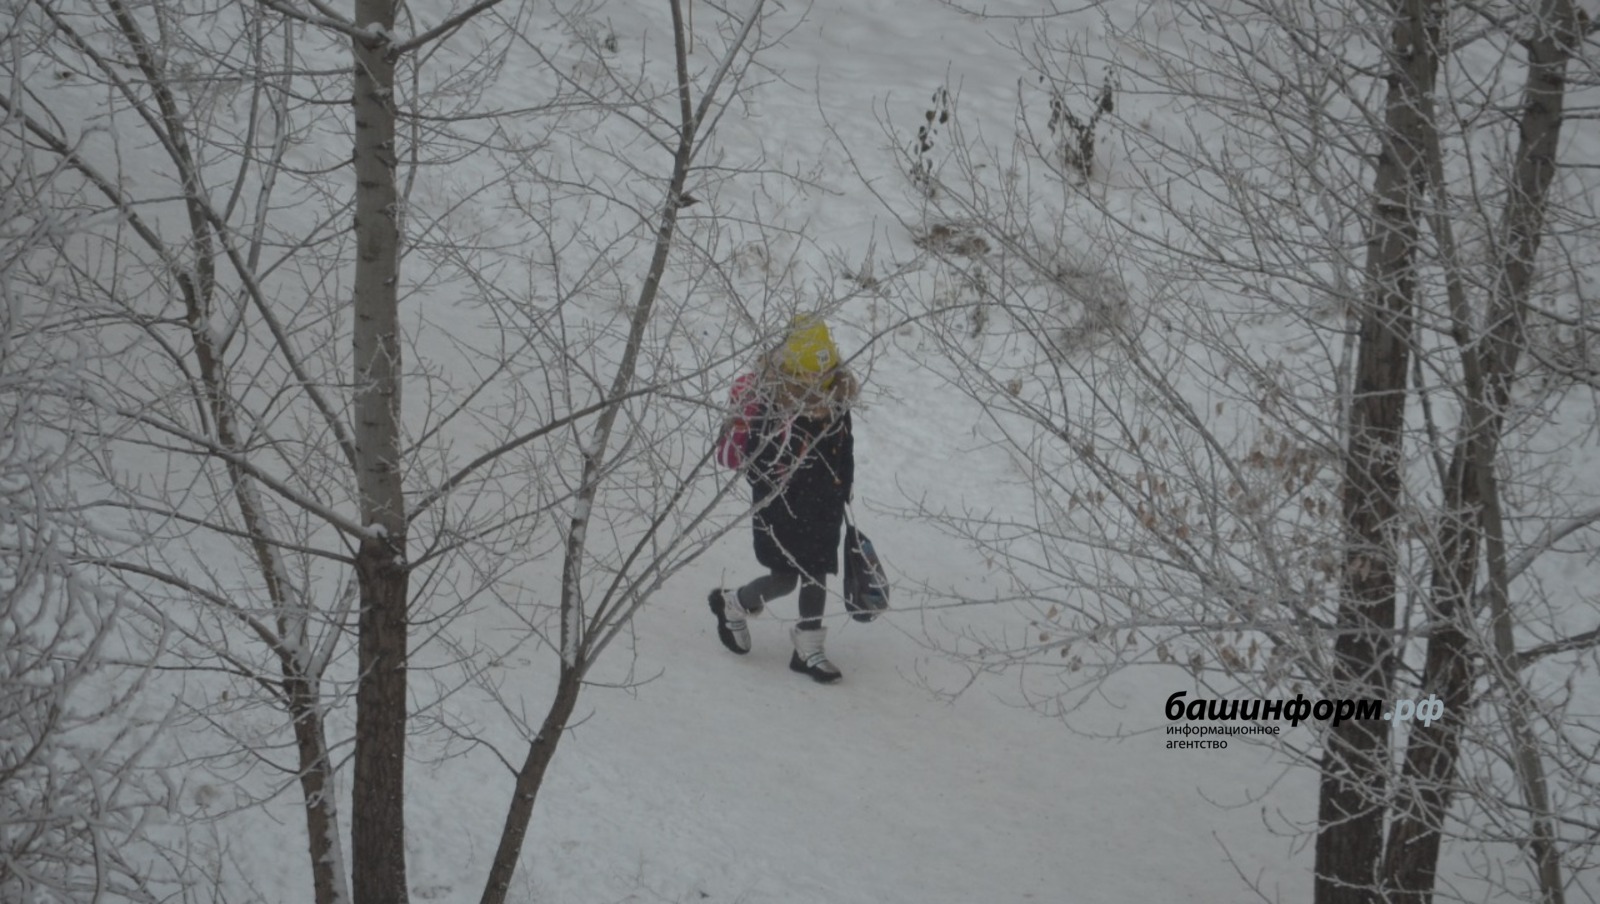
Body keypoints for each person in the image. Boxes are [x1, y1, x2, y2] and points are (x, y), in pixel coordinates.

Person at [709, 316, 858, 683]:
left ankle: (808, 648)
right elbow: (759, 462)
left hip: (825, 506)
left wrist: (844, 489)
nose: (814, 384)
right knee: (786, 579)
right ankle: (733, 604)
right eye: (807, 375)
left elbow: (845, 449)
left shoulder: (836, 400)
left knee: (817, 574)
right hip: (783, 508)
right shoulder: (774, 404)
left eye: (821, 374)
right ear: (790, 370)